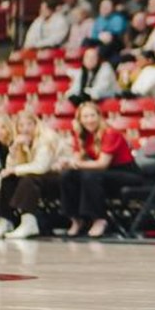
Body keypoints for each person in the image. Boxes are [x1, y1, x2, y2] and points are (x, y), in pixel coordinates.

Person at [61, 102, 142, 238]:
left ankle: (99, 219)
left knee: (90, 176)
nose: (89, 120)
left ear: (99, 116)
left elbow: (102, 164)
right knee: (67, 175)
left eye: (92, 115)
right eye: (85, 116)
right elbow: (77, 160)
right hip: (102, 173)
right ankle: (76, 218)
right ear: (79, 119)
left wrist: (74, 163)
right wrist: (68, 163)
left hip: (127, 173)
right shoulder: (81, 135)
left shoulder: (110, 133)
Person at [0, 112, 73, 239]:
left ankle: (29, 222)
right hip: (42, 177)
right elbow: (9, 168)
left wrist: (14, 169)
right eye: (21, 125)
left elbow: (41, 167)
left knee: (28, 179)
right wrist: (14, 149)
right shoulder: (20, 140)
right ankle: (6, 220)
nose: (25, 128)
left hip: (64, 176)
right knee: (9, 179)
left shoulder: (46, 138)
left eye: (29, 124)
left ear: (36, 124)